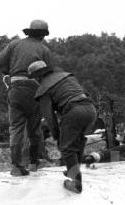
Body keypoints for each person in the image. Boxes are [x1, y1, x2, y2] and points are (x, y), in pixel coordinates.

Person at [0, 19, 54, 176]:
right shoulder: (44, 50)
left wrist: (9, 71)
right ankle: (34, 163)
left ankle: (16, 166)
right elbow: (48, 75)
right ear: (43, 35)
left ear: (29, 31)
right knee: (34, 129)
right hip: (34, 90)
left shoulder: (14, 44)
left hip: (15, 89)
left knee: (15, 128)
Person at [26, 61, 97, 193]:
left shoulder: (43, 88)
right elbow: (85, 93)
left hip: (74, 111)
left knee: (66, 147)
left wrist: (57, 135)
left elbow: (49, 116)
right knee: (78, 140)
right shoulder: (66, 76)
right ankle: (73, 170)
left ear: (37, 77)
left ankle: (76, 182)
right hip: (90, 109)